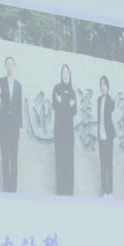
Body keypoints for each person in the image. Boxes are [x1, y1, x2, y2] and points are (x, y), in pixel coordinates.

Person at [51, 64, 77, 195]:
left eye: (67, 72)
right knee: (60, 161)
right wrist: (65, 104)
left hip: (69, 133)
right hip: (59, 131)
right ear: (61, 75)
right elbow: (54, 106)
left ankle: (69, 192)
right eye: (63, 73)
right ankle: (60, 191)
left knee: (69, 162)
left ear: (70, 75)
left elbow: (74, 111)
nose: (65, 75)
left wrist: (63, 103)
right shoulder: (56, 88)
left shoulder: (72, 92)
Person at [0, 56, 23, 192]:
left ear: (14, 67)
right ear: (5, 67)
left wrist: (20, 125)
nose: (9, 66)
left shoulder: (18, 85)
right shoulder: (1, 81)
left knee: (14, 157)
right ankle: (6, 188)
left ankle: (13, 188)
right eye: (7, 64)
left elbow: (19, 106)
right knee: (4, 157)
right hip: (3, 124)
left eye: (11, 64)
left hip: (14, 126)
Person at [96, 75, 116, 197]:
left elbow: (111, 109)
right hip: (101, 137)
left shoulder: (110, 99)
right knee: (102, 165)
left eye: (104, 84)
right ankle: (104, 190)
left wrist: (113, 102)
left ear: (108, 86)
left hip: (109, 137)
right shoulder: (98, 100)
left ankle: (110, 191)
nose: (102, 86)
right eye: (101, 84)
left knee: (109, 164)